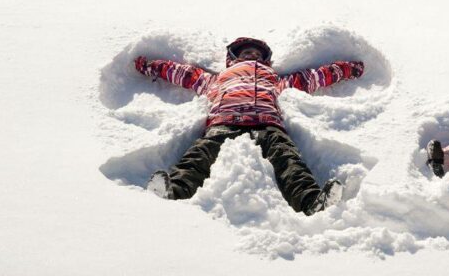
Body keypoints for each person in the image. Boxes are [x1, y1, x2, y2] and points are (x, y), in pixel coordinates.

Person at [133, 37, 365, 216]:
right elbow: (182, 73)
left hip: (268, 124)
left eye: (257, 54)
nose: (252, 55)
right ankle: (174, 191)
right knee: (199, 156)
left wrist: (346, 69)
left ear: (265, 61)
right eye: (246, 52)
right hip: (224, 122)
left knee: (288, 161)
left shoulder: (275, 79)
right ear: (233, 58)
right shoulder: (217, 79)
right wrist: (151, 66)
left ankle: (312, 202)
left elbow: (314, 77)